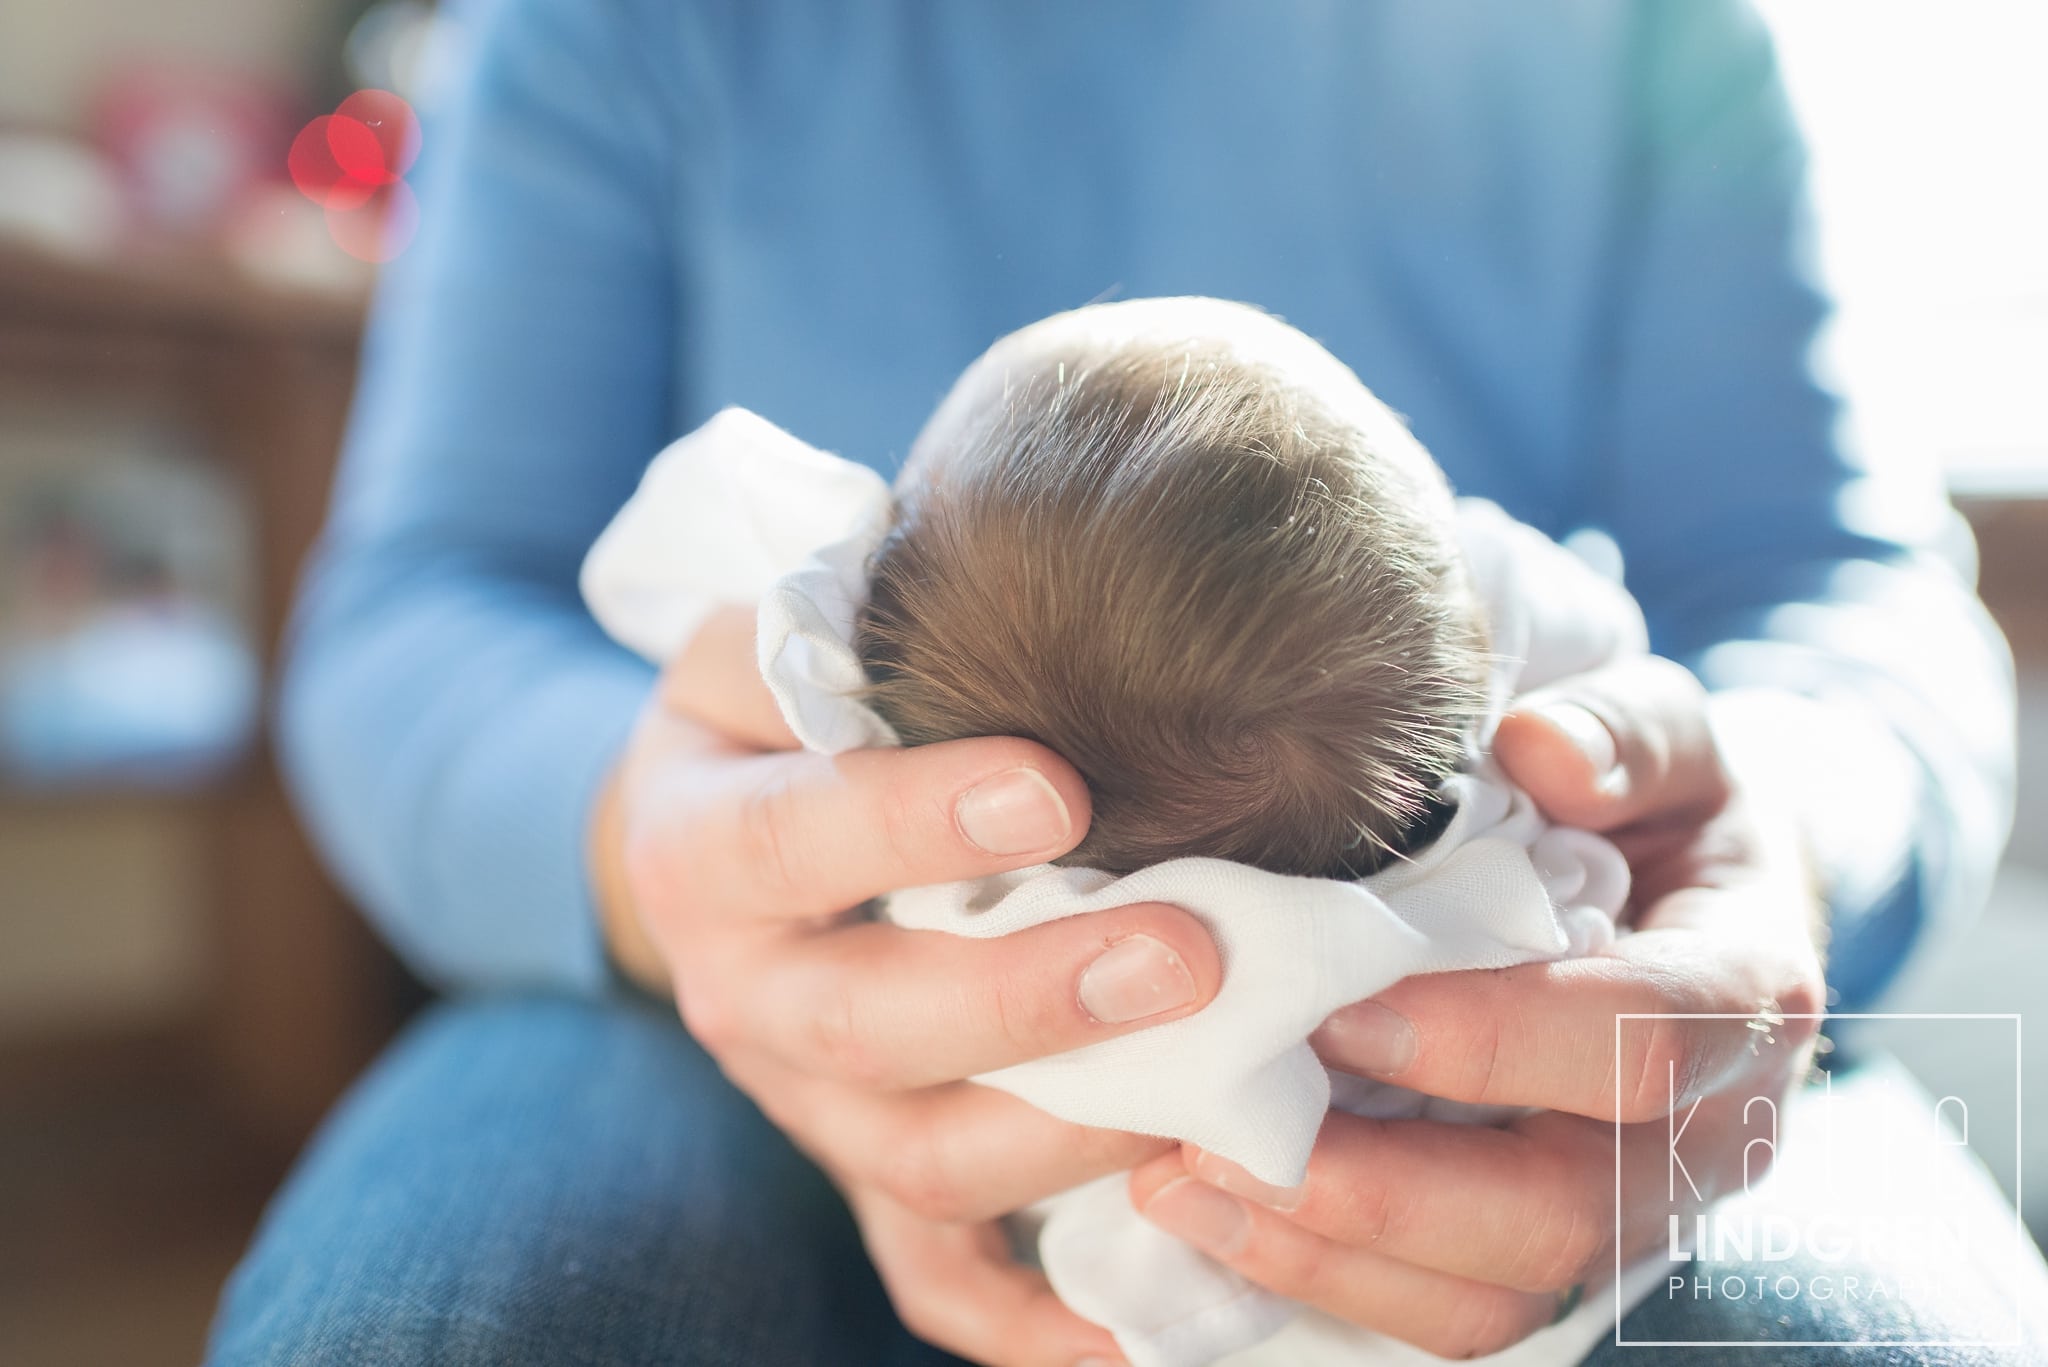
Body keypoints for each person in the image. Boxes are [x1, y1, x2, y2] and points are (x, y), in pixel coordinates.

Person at [207, 2, 2033, 1365]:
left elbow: (1841, 597)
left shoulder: (1637, 33)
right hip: (695, 996)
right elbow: (416, 611)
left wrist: (1773, 837)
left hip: (1586, 1018)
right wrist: (659, 848)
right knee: (440, 1331)